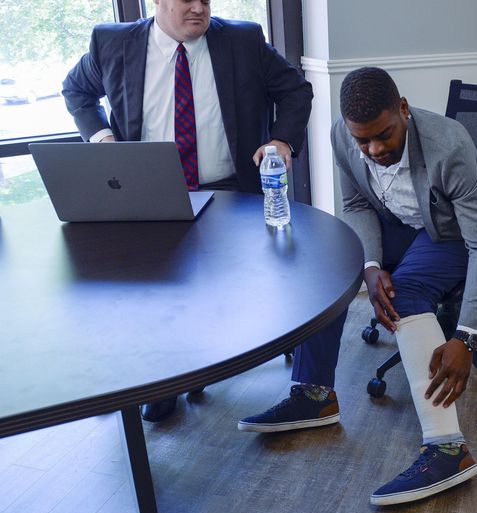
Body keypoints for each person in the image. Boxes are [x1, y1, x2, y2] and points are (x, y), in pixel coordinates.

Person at [238, 67, 477, 505]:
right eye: (363, 140)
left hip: (454, 231)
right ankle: (314, 395)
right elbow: (355, 203)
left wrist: (467, 336)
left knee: (405, 292)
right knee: (329, 267)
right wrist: (367, 264)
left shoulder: (450, 146)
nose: (374, 149)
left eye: (384, 135)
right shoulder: (344, 135)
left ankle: (448, 449)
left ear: (403, 109)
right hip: (398, 221)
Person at [62, 0, 313, 422]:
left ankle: (230, 352)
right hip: (150, 189)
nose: (199, 7)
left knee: (245, 278)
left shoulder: (242, 40)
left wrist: (282, 141)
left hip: (231, 188)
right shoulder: (112, 42)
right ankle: (167, 380)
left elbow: (295, 90)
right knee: (159, 288)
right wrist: (102, 137)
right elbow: (76, 91)